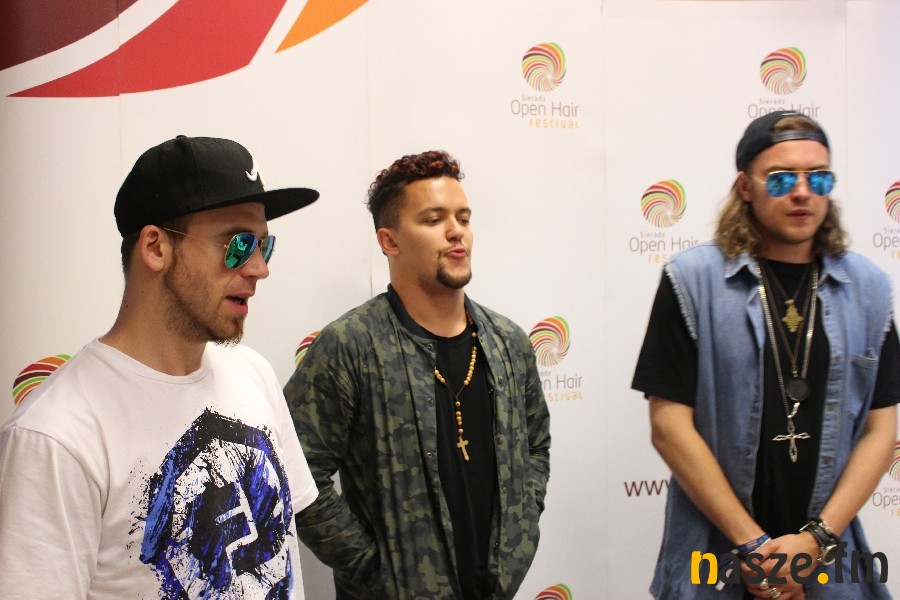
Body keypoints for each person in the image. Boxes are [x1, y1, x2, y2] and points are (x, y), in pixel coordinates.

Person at [0, 136, 321, 598]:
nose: (258, 268)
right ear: (155, 247)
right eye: (238, 244)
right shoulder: (55, 436)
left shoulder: (254, 374)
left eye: (264, 246)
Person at [632, 111, 899, 599]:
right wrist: (756, 547)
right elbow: (669, 425)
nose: (802, 192)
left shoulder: (869, 289)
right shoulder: (692, 281)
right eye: (780, 179)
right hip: (716, 556)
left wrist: (814, 542)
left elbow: (882, 430)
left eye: (818, 177)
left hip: (829, 556)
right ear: (745, 187)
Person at [284, 150, 551, 599]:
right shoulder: (350, 346)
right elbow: (295, 470)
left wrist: (520, 535)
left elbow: (536, 446)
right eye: (433, 219)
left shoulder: (509, 342)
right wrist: (373, 570)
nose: (456, 231)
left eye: (463, 218)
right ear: (389, 242)